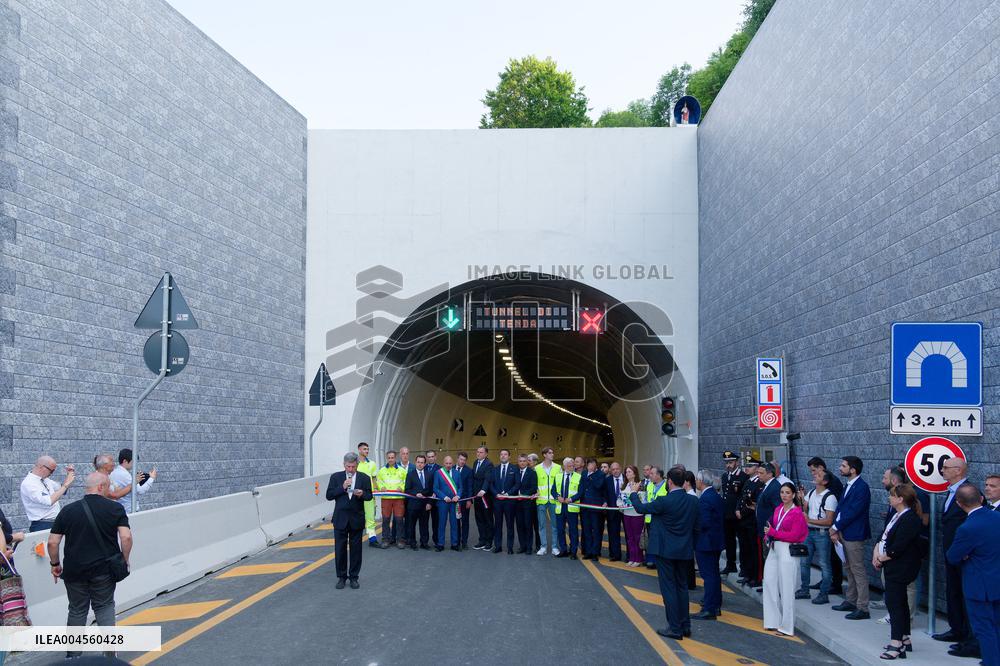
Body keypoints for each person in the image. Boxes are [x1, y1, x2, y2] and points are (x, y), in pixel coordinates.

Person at [47, 472, 132, 659]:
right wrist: (125, 559)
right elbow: (125, 537)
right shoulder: (115, 509)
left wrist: (55, 564)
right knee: (104, 607)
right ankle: (110, 654)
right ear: (101, 486)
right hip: (104, 571)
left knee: (77, 610)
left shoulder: (68, 510)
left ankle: (73, 656)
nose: (110, 490)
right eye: (108, 486)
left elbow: (53, 542)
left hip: (74, 571)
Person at [629, 467, 699, 640]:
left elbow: (640, 508)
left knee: (669, 589)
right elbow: (697, 526)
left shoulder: (664, 501)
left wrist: (633, 493)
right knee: (682, 588)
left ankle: (674, 628)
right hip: (684, 550)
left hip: (665, 550)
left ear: (669, 481)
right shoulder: (693, 501)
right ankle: (685, 625)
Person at [946, 485, 1000, 666]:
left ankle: (991, 662)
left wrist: (966, 554)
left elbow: (952, 556)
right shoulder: (998, 517)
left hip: (979, 586)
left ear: (959, 504)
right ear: (982, 498)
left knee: (984, 628)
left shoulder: (967, 528)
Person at [873, 484, 924, 660]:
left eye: (892, 495)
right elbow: (884, 536)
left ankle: (896, 645)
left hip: (901, 567)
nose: (889, 498)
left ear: (900, 499)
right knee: (900, 603)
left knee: (895, 605)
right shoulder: (897, 515)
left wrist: (882, 558)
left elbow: (899, 546)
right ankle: (905, 638)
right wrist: (876, 552)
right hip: (893, 566)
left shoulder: (910, 518)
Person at [934, 458, 978, 658]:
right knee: (953, 590)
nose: (941, 470)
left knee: (964, 593)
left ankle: (970, 638)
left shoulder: (968, 492)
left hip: (964, 555)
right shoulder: (951, 491)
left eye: (946, 468)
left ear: (958, 470)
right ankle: (957, 630)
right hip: (951, 552)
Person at [762, 482, 807, 637]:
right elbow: (772, 527)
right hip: (775, 548)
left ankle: (787, 627)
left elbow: (795, 536)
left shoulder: (797, 513)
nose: (784, 495)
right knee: (768, 582)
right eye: (782, 492)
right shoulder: (778, 509)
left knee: (786, 589)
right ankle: (772, 621)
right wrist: (768, 535)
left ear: (793, 495)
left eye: (788, 492)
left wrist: (773, 532)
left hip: (788, 550)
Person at [831, 456, 872, 620]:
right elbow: (841, 509)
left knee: (858, 569)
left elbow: (853, 511)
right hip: (844, 532)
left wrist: (835, 526)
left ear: (853, 469)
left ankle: (863, 607)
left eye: (843, 466)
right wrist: (836, 528)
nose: (840, 468)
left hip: (854, 533)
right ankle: (851, 600)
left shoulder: (861, 487)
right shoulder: (848, 485)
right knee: (848, 568)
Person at [326, 452, 372, 589]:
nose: (350, 469)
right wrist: (342, 487)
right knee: (340, 549)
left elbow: (369, 496)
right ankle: (341, 577)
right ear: (344, 465)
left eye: (353, 466)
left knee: (356, 550)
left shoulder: (364, 478)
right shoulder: (336, 477)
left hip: (356, 518)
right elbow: (329, 495)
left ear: (357, 465)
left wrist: (362, 493)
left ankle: (354, 577)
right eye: (348, 466)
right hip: (340, 519)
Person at [798, 469, 837, 604]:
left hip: (821, 533)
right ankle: (804, 590)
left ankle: (824, 593)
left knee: (824, 564)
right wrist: (802, 498)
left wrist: (808, 520)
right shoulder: (812, 493)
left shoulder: (830, 497)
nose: (814, 475)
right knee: (804, 562)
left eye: (819, 475)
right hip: (808, 532)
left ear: (825, 481)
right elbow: (805, 508)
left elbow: (829, 521)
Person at [808, 456, 844, 594]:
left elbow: (833, 506)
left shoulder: (832, 483)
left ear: (821, 468)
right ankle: (826, 581)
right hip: (825, 526)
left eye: (814, 470)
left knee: (832, 558)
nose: (813, 474)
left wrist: (834, 528)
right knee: (827, 558)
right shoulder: (825, 482)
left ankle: (835, 584)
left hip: (831, 525)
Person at [694, 470, 724, 620]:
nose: (696, 483)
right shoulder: (714, 495)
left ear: (701, 481)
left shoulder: (705, 498)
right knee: (714, 574)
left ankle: (709, 608)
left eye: (697, 480)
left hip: (706, 542)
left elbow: (704, 522)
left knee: (709, 575)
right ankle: (715, 604)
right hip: (715, 541)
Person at [21, 456, 76, 532]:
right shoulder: (29, 483)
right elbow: (49, 501)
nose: (51, 474)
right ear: (42, 467)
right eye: (51, 471)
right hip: (42, 525)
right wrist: (66, 485)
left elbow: (62, 489)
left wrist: (69, 474)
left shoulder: (45, 480)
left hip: (54, 522)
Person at [720, 451, 747, 575]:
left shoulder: (743, 477)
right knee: (729, 540)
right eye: (727, 463)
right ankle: (730, 564)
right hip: (727, 514)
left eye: (730, 462)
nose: (728, 465)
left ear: (736, 462)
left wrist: (739, 510)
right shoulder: (725, 476)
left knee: (742, 541)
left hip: (738, 515)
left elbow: (742, 496)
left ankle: (743, 566)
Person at [737, 458, 762, 585]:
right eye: (747, 465)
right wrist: (737, 509)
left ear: (757, 468)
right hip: (743, 521)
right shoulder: (747, 481)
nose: (747, 468)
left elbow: (753, 504)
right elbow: (741, 498)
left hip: (751, 521)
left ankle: (753, 576)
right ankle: (746, 573)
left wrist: (742, 512)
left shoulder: (758, 484)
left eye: (750, 466)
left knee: (753, 550)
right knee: (745, 549)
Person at [488, 449, 519, 554]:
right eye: (501, 454)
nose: (503, 456)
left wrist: (508, 494)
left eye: (505, 454)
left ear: (509, 456)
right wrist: (496, 493)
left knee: (510, 524)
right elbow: (491, 484)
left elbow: (517, 484)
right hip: (497, 501)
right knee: (498, 524)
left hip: (509, 501)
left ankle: (510, 547)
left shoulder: (514, 469)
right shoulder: (495, 469)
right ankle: (498, 546)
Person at [375, 450, 407, 549]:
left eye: (392, 457)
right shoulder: (382, 470)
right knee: (385, 520)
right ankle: (385, 540)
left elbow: (406, 481)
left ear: (395, 458)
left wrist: (402, 488)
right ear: (386, 458)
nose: (390, 459)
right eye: (389, 457)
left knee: (399, 520)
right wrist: (381, 487)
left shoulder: (402, 470)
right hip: (386, 498)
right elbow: (378, 481)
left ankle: (400, 540)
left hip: (398, 498)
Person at [552, 457, 582, 559]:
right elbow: (553, 490)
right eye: (570, 466)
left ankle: (573, 551)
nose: (572, 467)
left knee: (573, 530)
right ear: (564, 466)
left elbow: (580, 492)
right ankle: (563, 550)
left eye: (573, 465)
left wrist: (572, 499)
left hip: (572, 507)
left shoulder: (578, 477)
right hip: (560, 507)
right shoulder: (558, 476)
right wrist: (557, 497)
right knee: (560, 530)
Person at [534, 447, 561, 555]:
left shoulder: (558, 468)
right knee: (541, 525)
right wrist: (535, 492)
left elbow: (560, 483)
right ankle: (543, 547)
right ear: (544, 455)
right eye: (550, 453)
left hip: (554, 501)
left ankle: (555, 547)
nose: (552, 454)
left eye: (552, 452)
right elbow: (534, 483)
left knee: (555, 525)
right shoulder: (537, 468)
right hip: (541, 500)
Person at [403, 454, 433, 550]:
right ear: (415, 462)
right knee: (412, 525)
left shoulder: (429, 474)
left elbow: (431, 491)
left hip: (425, 505)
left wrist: (429, 503)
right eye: (418, 462)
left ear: (425, 464)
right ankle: (413, 543)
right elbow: (407, 490)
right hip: (413, 505)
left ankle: (424, 543)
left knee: (424, 525)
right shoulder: (410, 474)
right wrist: (416, 493)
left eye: (422, 463)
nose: (420, 464)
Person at [433, 456, 462, 552]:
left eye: (450, 463)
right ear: (443, 463)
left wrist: (457, 496)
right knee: (441, 523)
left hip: (454, 502)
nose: (448, 465)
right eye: (447, 463)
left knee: (454, 524)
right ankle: (440, 544)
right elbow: (435, 488)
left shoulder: (457, 473)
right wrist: (444, 497)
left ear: (452, 463)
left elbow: (460, 488)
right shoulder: (438, 473)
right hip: (442, 502)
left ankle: (454, 544)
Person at [580, 458, 606, 560]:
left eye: (593, 464)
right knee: (586, 530)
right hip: (585, 506)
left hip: (595, 506)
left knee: (596, 530)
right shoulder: (584, 473)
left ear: (596, 465)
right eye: (589, 463)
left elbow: (598, 486)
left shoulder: (600, 474)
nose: (590, 465)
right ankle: (588, 551)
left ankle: (595, 552)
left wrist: (591, 475)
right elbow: (582, 488)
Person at [644, 467, 670, 569]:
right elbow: (646, 499)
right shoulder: (649, 485)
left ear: (658, 475)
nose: (649, 475)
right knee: (651, 540)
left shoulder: (666, 485)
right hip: (649, 518)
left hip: (661, 518)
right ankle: (651, 560)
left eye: (652, 474)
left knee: (662, 540)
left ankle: (660, 561)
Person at [356, 443, 379, 547]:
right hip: (356, 495)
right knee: (356, 516)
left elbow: (374, 478)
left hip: (368, 494)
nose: (367, 451)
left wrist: (376, 490)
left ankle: (372, 539)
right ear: (359, 450)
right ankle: (354, 538)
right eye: (364, 449)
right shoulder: (355, 464)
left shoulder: (372, 464)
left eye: (368, 449)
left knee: (370, 516)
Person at [621, 465, 645, 566]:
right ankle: (632, 557)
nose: (627, 474)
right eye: (626, 472)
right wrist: (620, 505)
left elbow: (643, 499)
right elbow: (619, 498)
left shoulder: (640, 485)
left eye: (629, 472)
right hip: (626, 513)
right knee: (629, 537)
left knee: (637, 537)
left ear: (635, 473)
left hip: (637, 514)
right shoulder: (624, 485)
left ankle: (638, 559)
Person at [472, 446, 495, 550]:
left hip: (485, 497)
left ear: (486, 454)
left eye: (481, 452)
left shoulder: (489, 464)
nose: (478, 454)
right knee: (479, 519)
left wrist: (483, 490)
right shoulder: (475, 462)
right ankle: (482, 540)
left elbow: (488, 479)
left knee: (488, 519)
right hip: (476, 497)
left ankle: (489, 542)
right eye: (477, 452)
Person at [514, 454, 538, 554]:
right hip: (517, 503)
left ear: (527, 462)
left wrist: (523, 495)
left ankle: (529, 547)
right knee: (519, 525)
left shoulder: (532, 473)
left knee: (528, 525)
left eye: (524, 461)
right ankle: (522, 546)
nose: (522, 463)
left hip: (528, 504)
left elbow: (533, 488)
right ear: (518, 462)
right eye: (520, 461)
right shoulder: (515, 472)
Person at [604, 462, 625, 562]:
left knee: (629, 534)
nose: (615, 471)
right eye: (613, 469)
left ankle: (631, 556)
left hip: (626, 511)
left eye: (617, 469)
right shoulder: (607, 480)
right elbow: (604, 494)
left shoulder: (627, 478)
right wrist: (604, 502)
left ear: (620, 468)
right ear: (610, 471)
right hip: (612, 510)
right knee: (613, 533)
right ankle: (615, 555)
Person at [453, 452, 473, 549]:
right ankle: (456, 541)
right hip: (453, 500)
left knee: (464, 521)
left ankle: (464, 542)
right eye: (461, 459)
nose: (462, 462)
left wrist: (469, 500)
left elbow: (470, 487)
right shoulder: (451, 468)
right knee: (455, 521)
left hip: (464, 500)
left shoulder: (469, 471)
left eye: (464, 460)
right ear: (457, 459)